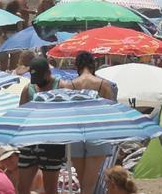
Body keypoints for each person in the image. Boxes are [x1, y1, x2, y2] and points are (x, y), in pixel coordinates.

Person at [63, 52, 116, 194]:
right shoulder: (103, 85)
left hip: (76, 134)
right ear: (93, 65)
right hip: (97, 133)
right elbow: (110, 111)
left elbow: (66, 112)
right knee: (89, 184)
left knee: (83, 182)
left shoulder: (70, 85)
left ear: (77, 66)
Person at [17, 56, 65, 194]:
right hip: (30, 141)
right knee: (22, 187)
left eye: (39, 77)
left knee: (50, 188)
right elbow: (21, 114)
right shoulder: (29, 89)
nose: (37, 82)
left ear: (48, 73)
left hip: (52, 143)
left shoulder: (61, 86)